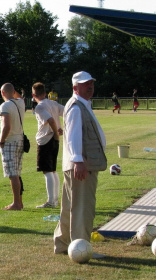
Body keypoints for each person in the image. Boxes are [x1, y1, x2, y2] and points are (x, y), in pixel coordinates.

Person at [53, 71, 107, 258]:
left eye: (91, 83)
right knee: (83, 208)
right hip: (82, 165)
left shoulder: (80, 104)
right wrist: (78, 161)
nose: (90, 86)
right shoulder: (76, 107)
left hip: (77, 164)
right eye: (85, 84)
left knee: (70, 206)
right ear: (75, 87)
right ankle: (81, 247)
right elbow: (73, 136)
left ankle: (62, 244)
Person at [32, 82, 64, 208]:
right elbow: (67, 112)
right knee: (53, 170)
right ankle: (55, 200)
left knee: (47, 171)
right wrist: (61, 129)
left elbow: (50, 120)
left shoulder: (39, 107)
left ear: (33, 94)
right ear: (45, 93)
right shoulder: (53, 103)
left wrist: (56, 132)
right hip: (54, 139)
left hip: (46, 140)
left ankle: (51, 201)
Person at [0, 83, 25, 211]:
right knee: (17, 172)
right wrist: (13, 91)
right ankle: (19, 202)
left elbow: (6, 126)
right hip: (20, 140)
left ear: (2, 93)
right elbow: (19, 96)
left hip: (10, 141)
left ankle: (16, 203)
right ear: (14, 91)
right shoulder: (20, 103)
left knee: (12, 174)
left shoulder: (5, 106)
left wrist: (1, 141)